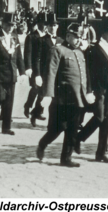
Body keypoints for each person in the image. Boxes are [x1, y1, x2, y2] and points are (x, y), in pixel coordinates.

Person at [36, 23, 93, 167]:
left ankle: (66, 158)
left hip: (77, 98)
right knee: (57, 128)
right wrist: (48, 94)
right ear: (68, 36)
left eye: (81, 37)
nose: (79, 40)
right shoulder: (58, 50)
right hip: (61, 97)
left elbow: (84, 76)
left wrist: (87, 92)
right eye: (76, 37)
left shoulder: (80, 53)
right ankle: (43, 143)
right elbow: (51, 72)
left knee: (72, 129)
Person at [77, 18, 108, 163]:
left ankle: (101, 152)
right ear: (103, 33)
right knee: (99, 117)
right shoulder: (94, 49)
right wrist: (89, 90)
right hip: (99, 89)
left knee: (107, 121)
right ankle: (78, 138)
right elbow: (88, 71)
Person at [32, 13, 64, 126]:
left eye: (55, 25)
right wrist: (37, 74)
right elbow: (37, 58)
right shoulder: (41, 40)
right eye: (51, 25)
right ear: (47, 27)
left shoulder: (61, 40)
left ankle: (53, 121)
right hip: (45, 72)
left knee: (56, 97)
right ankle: (35, 113)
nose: (53, 27)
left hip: (57, 73)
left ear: (57, 27)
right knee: (42, 95)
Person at [23, 12, 47, 120]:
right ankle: (28, 105)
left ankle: (38, 111)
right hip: (34, 67)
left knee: (44, 90)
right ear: (38, 23)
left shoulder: (48, 37)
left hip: (45, 68)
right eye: (42, 23)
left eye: (46, 23)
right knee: (36, 88)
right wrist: (28, 67)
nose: (44, 26)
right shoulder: (31, 36)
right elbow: (27, 53)